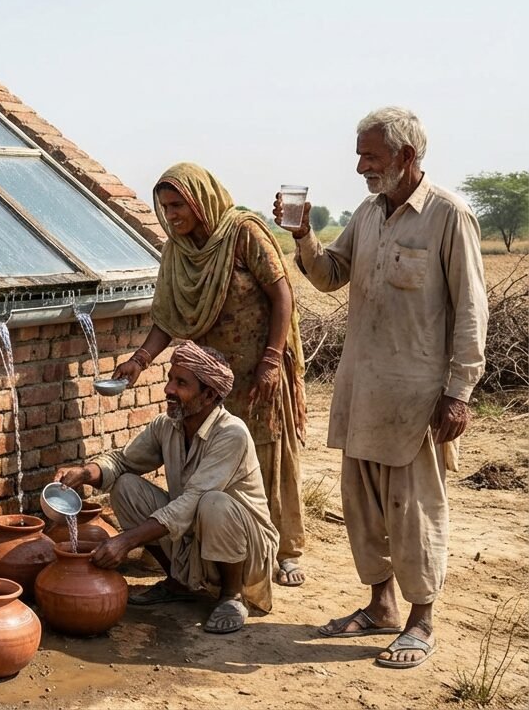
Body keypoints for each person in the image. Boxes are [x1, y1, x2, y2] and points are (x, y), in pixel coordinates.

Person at [275, 107, 487, 669]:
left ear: (406, 157)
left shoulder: (448, 216)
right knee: (364, 507)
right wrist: (303, 237)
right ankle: (381, 605)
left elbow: (471, 311)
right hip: (362, 389)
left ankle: (422, 621)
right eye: (360, 153)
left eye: (370, 154)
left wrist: (459, 391)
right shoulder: (369, 213)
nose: (361, 165)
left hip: (418, 398)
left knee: (413, 509)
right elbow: (330, 275)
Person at [114, 162, 308, 587]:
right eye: (164, 207)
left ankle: (281, 549)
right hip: (210, 377)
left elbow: (282, 295)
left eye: (178, 204)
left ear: (200, 200)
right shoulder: (178, 251)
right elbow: (166, 318)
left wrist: (272, 360)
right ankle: (207, 552)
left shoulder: (243, 234)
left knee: (265, 451)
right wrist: (140, 361)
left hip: (259, 366)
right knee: (212, 463)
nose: (171, 215)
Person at [57, 342, 279, 635]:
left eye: (181, 383)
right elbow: (123, 462)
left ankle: (231, 595)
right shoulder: (167, 425)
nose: (168, 390)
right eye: (170, 380)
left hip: (246, 550)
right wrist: (85, 473)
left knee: (214, 502)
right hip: (194, 537)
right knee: (125, 486)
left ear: (210, 394)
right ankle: (177, 582)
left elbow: (193, 501)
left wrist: (125, 542)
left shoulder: (231, 433)